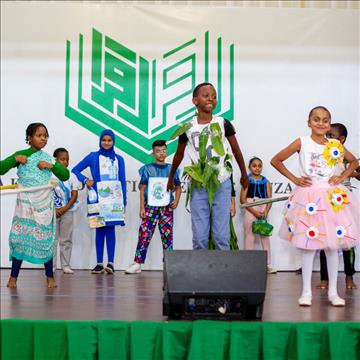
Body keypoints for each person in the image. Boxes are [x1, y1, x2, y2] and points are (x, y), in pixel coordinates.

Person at [271, 106, 359, 307]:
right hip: (309, 198)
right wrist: (295, 178)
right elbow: (276, 160)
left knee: (332, 246)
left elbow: (353, 162)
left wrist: (341, 176)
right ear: (309, 122)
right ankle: (306, 292)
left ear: (329, 123)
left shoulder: (335, 144)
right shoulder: (302, 142)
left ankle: (333, 293)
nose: (321, 123)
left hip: (332, 198)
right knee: (309, 246)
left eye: (325, 120)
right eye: (317, 119)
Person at [167, 82, 249, 250]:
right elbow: (179, 154)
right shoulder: (187, 127)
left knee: (221, 234)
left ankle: (223, 272)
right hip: (199, 181)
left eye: (214, 96)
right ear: (195, 101)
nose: (211, 99)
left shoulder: (223, 123)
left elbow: (236, 150)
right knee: (200, 235)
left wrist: (244, 174)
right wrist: (171, 178)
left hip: (222, 179)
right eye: (206, 95)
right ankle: (201, 273)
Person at [0, 123, 69, 288]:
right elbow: (1, 169)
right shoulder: (21, 155)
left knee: (45, 239)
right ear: (29, 138)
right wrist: (14, 160)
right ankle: (13, 278)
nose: (43, 138)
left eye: (45, 135)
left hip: (43, 204)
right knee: (20, 239)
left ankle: (50, 277)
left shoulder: (47, 158)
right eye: (39, 135)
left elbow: (65, 175)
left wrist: (51, 165)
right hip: (25, 204)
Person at [72, 129, 126, 274]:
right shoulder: (93, 156)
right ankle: (99, 263)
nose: (106, 143)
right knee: (99, 229)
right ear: (100, 141)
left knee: (110, 229)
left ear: (113, 142)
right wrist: (85, 180)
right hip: (96, 198)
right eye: (104, 140)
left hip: (114, 200)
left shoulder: (119, 159)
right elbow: (75, 169)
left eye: (109, 140)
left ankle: (111, 263)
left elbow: (122, 181)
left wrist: (124, 202)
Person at [125, 140, 181, 274]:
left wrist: (177, 200)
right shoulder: (147, 169)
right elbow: (142, 189)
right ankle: (137, 263)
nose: (161, 153)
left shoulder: (172, 169)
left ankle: (168, 264)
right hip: (150, 207)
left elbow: (178, 187)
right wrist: (142, 208)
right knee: (144, 234)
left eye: (163, 150)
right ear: (153, 152)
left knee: (167, 236)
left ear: (166, 151)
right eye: (158, 151)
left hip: (166, 208)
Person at [317, 123, 357, 290]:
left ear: (341, 139)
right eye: (327, 135)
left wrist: (346, 175)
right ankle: (324, 278)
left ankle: (349, 277)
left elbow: (355, 164)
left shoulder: (342, 152)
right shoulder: (321, 150)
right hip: (325, 200)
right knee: (324, 240)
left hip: (342, 202)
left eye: (331, 135)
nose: (328, 138)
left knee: (348, 240)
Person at [240, 157, 276, 274]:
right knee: (249, 236)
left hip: (263, 208)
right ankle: (248, 263)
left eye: (259, 165)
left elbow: (270, 199)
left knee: (265, 236)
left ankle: (268, 264)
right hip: (251, 208)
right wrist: (254, 212)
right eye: (254, 165)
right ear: (249, 167)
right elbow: (242, 199)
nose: (257, 168)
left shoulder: (267, 182)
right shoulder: (247, 181)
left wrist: (265, 211)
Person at [52, 147, 82, 274]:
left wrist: (65, 208)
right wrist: (55, 208)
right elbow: (47, 193)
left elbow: (74, 194)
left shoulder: (72, 176)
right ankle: (51, 266)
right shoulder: (50, 175)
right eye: (62, 159)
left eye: (67, 160)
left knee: (66, 239)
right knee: (52, 240)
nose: (65, 162)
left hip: (68, 211)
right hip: (52, 211)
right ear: (55, 160)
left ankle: (65, 265)